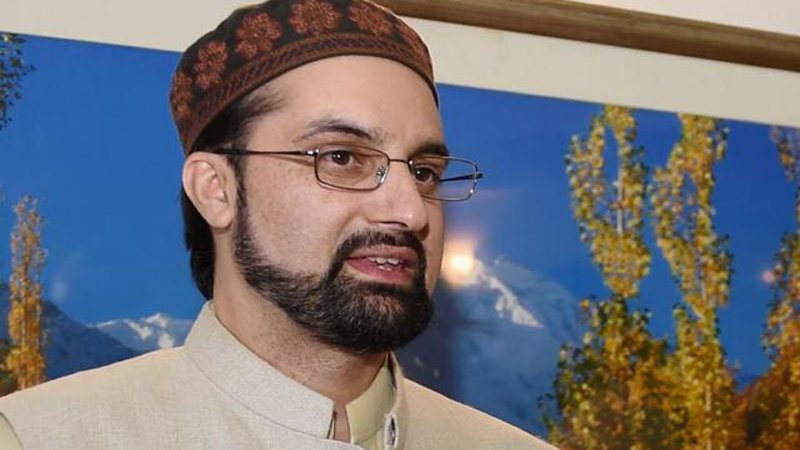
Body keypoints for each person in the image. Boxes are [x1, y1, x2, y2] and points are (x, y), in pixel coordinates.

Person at [0, 0, 558, 448]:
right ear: (216, 190)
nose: (410, 210)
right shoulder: (41, 437)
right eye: (341, 157)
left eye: (424, 171)